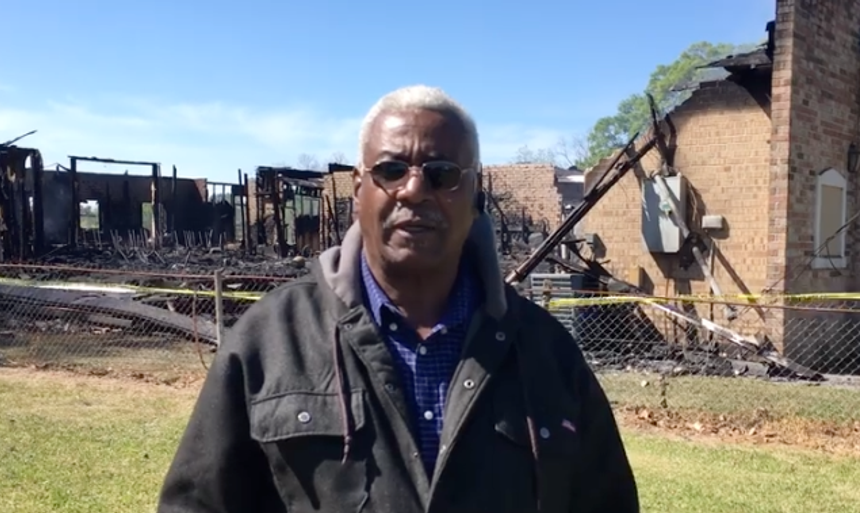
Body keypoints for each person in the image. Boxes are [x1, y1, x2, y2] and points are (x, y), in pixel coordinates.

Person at [157, 85, 639, 513]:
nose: (414, 190)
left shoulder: (545, 351)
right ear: (358, 189)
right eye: (391, 170)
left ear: (473, 193)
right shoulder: (269, 341)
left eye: (441, 174)